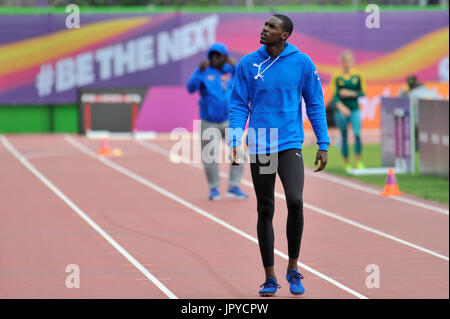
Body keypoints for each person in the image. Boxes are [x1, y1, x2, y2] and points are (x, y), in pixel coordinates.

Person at [227, 14, 329, 297]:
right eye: (265, 24)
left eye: (272, 26)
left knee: (295, 202)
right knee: (266, 209)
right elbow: (238, 105)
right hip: (261, 143)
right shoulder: (247, 63)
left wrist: (323, 142)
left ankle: (293, 268)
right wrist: (235, 139)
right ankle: (270, 277)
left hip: (289, 142)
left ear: (285, 35)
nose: (264, 28)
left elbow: (315, 103)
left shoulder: (302, 63)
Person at [187, 43, 248, 201]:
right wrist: (199, 72)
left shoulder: (230, 71)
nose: (215, 58)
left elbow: (244, 80)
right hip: (209, 122)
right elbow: (190, 88)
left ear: (225, 57)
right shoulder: (204, 71)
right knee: (210, 157)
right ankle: (214, 188)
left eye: (219, 55)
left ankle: (234, 186)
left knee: (238, 153)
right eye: (213, 55)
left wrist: (235, 66)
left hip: (230, 121)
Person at [330, 50, 367, 172]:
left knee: (357, 134)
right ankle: (346, 163)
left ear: (352, 62)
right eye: (344, 61)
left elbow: (363, 92)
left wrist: (349, 93)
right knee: (344, 136)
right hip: (341, 110)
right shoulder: (337, 77)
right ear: (341, 62)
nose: (347, 63)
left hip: (354, 109)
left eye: (349, 61)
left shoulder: (358, 76)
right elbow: (335, 95)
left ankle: (358, 161)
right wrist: (341, 107)